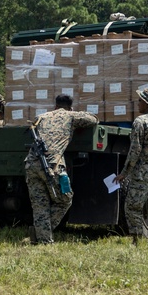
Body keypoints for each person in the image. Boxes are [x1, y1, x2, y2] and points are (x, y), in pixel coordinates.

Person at [24, 93, 98, 244]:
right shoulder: (71, 116)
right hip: (52, 165)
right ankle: (42, 235)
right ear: (70, 107)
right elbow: (93, 119)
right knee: (65, 199)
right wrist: (75, 113)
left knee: (40, 204)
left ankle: (42, 238)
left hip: (31, 164)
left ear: (55, 106)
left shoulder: (41, 117)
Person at [115, 88, 148, 244]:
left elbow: (134, 150)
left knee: (132, 206)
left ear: (146, 103)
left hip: (144, 173)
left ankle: (136, 240)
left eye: (140, 100)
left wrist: (124, 173)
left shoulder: (141, 121)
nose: (137, 103)